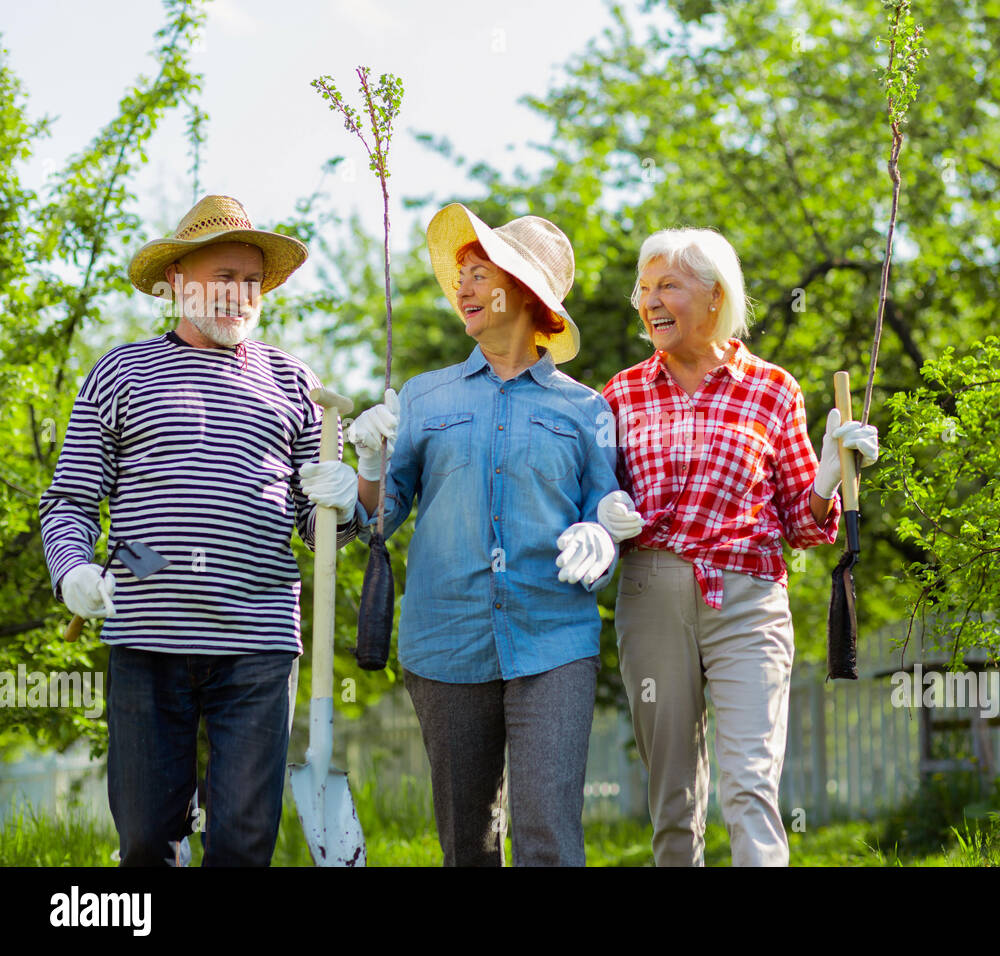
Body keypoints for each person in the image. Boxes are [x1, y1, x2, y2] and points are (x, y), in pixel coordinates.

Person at [38, 195, 363, 866]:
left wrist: (350, 496)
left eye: (251, 280)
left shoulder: (293, 381)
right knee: (147, 840)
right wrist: (71, 568)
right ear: (179, 282)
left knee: (244, 842)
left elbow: (322, 532)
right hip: (148, 635)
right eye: (223, 276)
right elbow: (69, 499)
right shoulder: (121, 371)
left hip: (258, 643)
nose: (239, 294)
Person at [348, 204, 622, 866]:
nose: (462, 289)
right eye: (460, 275)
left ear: (525, 293)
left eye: (479, 274)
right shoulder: (424, 398)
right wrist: (367, 467)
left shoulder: (585, 408)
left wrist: (602, 539)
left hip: (553, 638)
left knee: (548, 837)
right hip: (445, 639)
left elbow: (609, 513)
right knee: (467, 843)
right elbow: (380, 521)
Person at [600, 227, 879, 866]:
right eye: (644, 289)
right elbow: (598, 502)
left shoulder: (772, 389)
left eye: (668, 285)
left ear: (715, 293)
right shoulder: (621, 392)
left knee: (751, 786)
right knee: (673, 798)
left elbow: (803, 525)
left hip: (749, 601)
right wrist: (603, 515)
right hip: (652, 593)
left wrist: (828, 480)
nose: (651, 301)